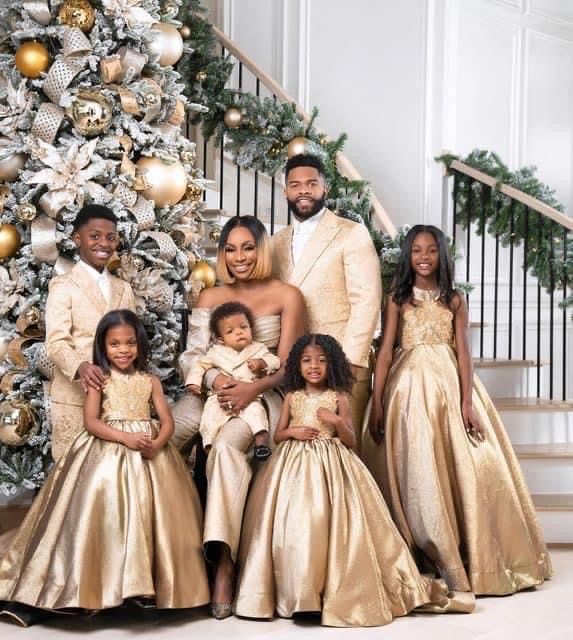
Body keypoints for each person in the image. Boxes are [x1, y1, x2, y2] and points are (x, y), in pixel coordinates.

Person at [235, 334, 474, 627]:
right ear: (297, 365)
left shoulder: (339, 397)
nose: (314, 367)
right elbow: (278, 434)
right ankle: (299, 596)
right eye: (307, 361)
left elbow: (350, 441)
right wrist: (294, 433)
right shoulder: (293, 397)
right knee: (299, 524)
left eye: (322, 361)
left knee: (326, 521)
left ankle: (325, 593)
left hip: (333, 466)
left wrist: (335, 422)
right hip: (293, 467)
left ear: (332, 365)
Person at [367, 225, 552, 595]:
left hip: (449, 387)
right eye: (417, 251)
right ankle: (430, 547)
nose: (424, 257)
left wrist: (467, 401)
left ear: (442, 255)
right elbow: (386, 350)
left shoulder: (454, 300)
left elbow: (464, 354)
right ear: (407, 255)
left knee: (467, 462)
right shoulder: (398, 299)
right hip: (408, 390)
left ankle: (470, 551)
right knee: (419, 461)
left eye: (432, 251)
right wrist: (377, 398)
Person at [0, 310, 209, 623]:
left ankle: (147, 589)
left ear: (140, 345)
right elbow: (92, 422)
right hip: (108, 449)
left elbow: (166, 419)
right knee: (101, 508)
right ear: (102, 346)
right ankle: (89, 588)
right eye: (114, 344)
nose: (123, 350)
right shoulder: (99, 379)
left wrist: (159, 441)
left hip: (150, 453)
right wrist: (125, 438)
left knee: (152, 514)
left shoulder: (150, 381)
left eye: (129, 343)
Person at [175, 215, 305, 618]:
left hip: (262, 395)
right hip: (212, 390)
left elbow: (290, 365)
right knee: (166, 437)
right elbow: (191, 357)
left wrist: (250, 388)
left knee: (227, 447)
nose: (239, 257)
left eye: (247, 247)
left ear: (262, 249)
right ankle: (163, 559)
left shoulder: (287, 295)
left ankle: (224, 563)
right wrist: (214, 379)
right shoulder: (210, 297)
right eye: (230, 248)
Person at [272, 153, 382, 452]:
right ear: (286, 191)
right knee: (300, 452)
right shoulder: (277, 241)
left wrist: (349, 364)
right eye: (295, 185)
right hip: (296, 368)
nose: (303, 190)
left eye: (311, 183)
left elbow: (367, 301)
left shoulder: (351, 232)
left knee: (344, 450)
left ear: (325, 189)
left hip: (340, 363)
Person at [45, 204, 135, 461]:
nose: (103, 243)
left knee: (111, 476)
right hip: (74, 399)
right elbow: (56, 343)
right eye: (94, 236)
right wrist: (81, 366)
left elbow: (131, 341)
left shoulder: (123, 289)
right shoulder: (63, 286)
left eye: (110, 237)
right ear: (77, 239)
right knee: (74, 476)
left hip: (117, 400)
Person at [187, 301, 281, 460]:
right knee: (209, 419)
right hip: (220, 398)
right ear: (221, 339)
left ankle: (262, 444)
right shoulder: (215, 352)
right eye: (230, 331)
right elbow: (199, 366)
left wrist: (262, 363)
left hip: (249, 395)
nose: (239, 333)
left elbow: (275, 361)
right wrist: (193, 382)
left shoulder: (258, 349)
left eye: (243, 327)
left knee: (256, 414)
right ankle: (209, 447)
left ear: (251, 328)